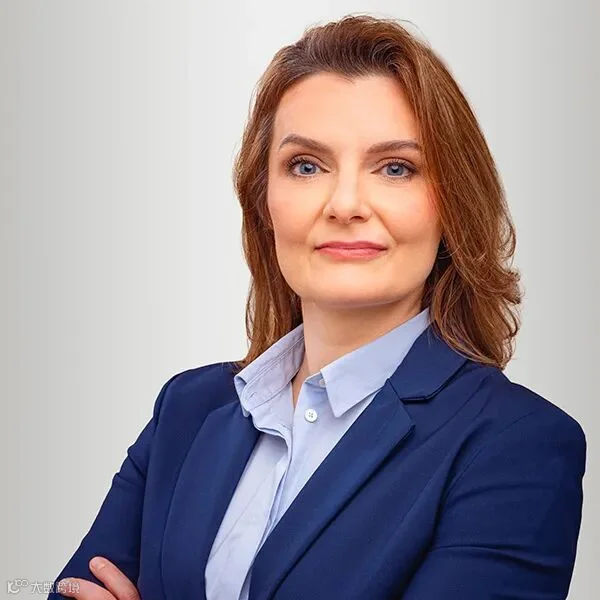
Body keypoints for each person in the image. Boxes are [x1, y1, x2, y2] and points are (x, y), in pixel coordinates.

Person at [49, 14, 586, 600]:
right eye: (306, 166)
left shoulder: (518, 444)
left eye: (395, 168)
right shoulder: (186, 409)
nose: (345, 203)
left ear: (451, 205)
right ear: (264, 200)